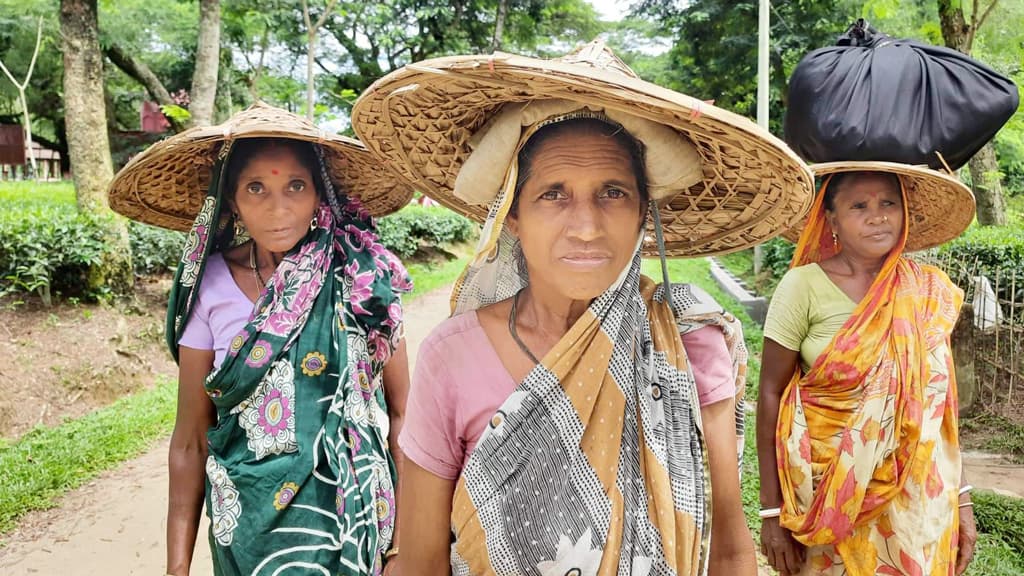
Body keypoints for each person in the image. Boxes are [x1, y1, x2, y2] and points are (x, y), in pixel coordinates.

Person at [351, 41, 815, 575]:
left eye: (613, 192)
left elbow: (730, 553)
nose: (587, 226)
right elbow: (421, 561)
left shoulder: (688, 339)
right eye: (553, 194)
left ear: (644, 212)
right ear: (513, 216)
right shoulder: (450, 357)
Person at [107, 103, 414, 575]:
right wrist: (176, 568)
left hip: (353, 524)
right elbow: (190, 438)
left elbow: (403, 414)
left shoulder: (359, 276)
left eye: (296, 186)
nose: (278, 209)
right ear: (231, 200)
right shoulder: (210, 284)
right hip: (250, 535)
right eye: (257, 189)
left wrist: (406, 546)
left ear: (319, 194)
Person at [756, 161, 979, 576]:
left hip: (918, 506)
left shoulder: (926, 292)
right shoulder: (803, 286)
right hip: (830, 496)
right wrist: (772, 510)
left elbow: (938, 416)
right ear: (831, 218)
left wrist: (962, 500)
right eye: (859, 205)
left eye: (888, 203)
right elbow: (770, 393)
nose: (878, 215)